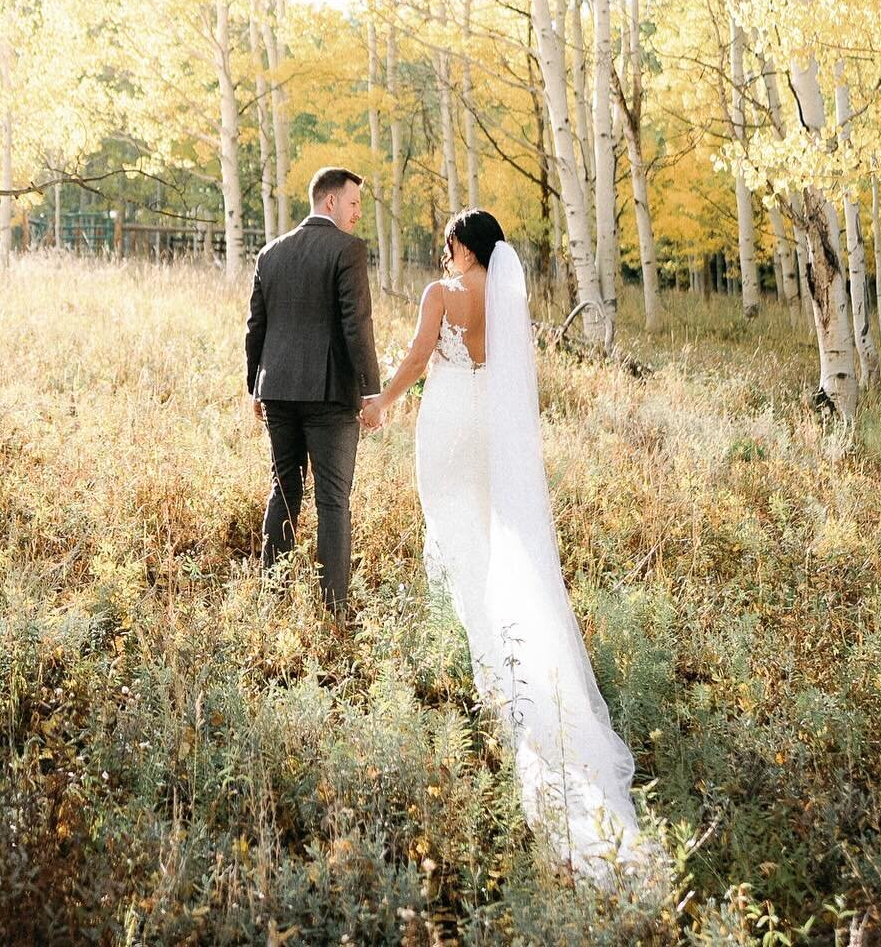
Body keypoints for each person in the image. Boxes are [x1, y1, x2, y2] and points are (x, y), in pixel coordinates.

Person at [361, 208, 659, 890]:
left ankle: (490, 667)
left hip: (445, 426)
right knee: (493, 540)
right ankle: (509, 650)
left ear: (460, 246)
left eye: (447, 244)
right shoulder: (507, 299)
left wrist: (382, 402)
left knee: (457, 537)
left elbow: (414, 358)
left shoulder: (442, 295)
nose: (446, 254)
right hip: (489, 431)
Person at [245, 165, 380, 613]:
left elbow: (255, 328)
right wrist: (371, 391)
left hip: (278, 389)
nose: (359, 212)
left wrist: (255, 387)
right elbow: (356, 324)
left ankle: (270, 597)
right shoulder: (348, 250)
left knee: (283, 490)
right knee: (333, 501)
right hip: (329, 395)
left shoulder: (271, 253)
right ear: (330, 202)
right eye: (354, 202)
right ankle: (334, 610)